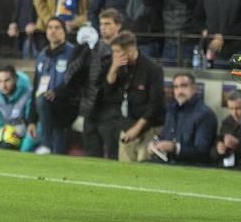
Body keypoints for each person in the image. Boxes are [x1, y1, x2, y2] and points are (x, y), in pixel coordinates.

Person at [27, 16, 85, 155]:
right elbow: (36, 87)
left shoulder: (73, 53)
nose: (53, 31)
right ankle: (49, 149)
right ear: (46, 32)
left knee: (43, 99)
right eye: (50, 28)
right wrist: (32, 120)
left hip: (67, 104)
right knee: (40, 97)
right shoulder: (42, 56)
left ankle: (45, 144)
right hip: (47, 106)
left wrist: (57, 92)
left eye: (57, 28)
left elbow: (76, 81)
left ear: (64, 32)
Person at [105, 32, 165, 162]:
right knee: (124, 168)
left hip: (150, 127)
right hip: (127, 124)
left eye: (117, 52)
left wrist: (137, 128)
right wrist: (113, 69)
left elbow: (156, 105)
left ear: (130, 49)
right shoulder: (120, 67)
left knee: (145, 166)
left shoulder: (152, 70)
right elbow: (109, 92)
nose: (114, 56)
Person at [148, 71, 216, 166]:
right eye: (176, 87)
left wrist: (175, 148)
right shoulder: (171, 110)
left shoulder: (205, 114)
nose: (179, 91)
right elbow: (163, 135)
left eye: (184, 86)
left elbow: (202, 152)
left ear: (194, 88)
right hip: (167, 163)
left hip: (191, 167)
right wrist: (154, 144)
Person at [83, 9, 124, 159]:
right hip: (92, 106)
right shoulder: (92, 49)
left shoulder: (124, 49)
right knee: (91, 153)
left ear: (118, 26)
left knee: (112, 152)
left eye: (108, 24)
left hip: (111, 107)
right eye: (101, 24)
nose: (103, 27)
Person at [0, 65, 34, 152]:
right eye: (0, 81)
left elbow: (33, 127)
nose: (3, 85)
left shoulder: (28, 95)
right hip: (5, 142)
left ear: (15, 79)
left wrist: (23, 151)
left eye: (7, 80)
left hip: (25, 144)